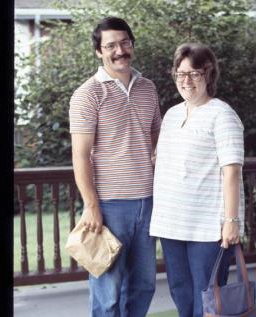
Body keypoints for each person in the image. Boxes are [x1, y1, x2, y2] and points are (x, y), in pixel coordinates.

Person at [69, 16, 162, 317]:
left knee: (144, 285)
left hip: (148, 202)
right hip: (109, 206)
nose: (119, 50)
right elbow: (80, 155)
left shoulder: (148, 88)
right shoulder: (88, 94)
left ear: (132, 44)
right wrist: (91, 205)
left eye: (124, 42)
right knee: (108, 292)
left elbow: (156, 135)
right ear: (99, 51)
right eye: (110, 45)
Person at [150, 43, 246, 317]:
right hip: (172, 223)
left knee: (207, 297)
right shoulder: (172, 115)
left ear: (209, 74)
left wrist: (230, 222)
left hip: (207, 227)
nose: (186, 80)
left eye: (194, 73)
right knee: (180, 290)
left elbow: (231, 171)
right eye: (181, 74)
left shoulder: (222, 115)